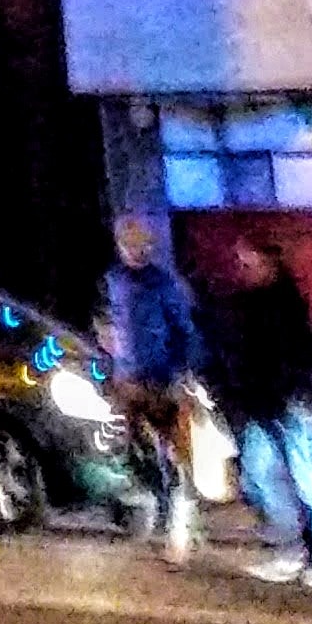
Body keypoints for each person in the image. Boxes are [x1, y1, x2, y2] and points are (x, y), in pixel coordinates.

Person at [205, 232, 312, 591]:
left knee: (307, 484)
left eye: (249, 261)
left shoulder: (288, 304)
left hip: (292, 404)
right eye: (242, 261)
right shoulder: (246, 303)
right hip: (261, 403)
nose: (243, 267)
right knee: (256, 478)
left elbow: (302, 355)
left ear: (269, 262)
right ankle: (288, 550)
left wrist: (289, 389)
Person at [105, 217, 206, 557]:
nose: (135, 250)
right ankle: (163, 511)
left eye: (141, 244)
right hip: (127, 380)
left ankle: (179, 517)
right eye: (128, 244)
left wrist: (183, 373)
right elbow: (106, 324)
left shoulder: (164, 284)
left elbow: (185, 331)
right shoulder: (112, 281)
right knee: (135, 452)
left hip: (161, 380)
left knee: (172, 453)